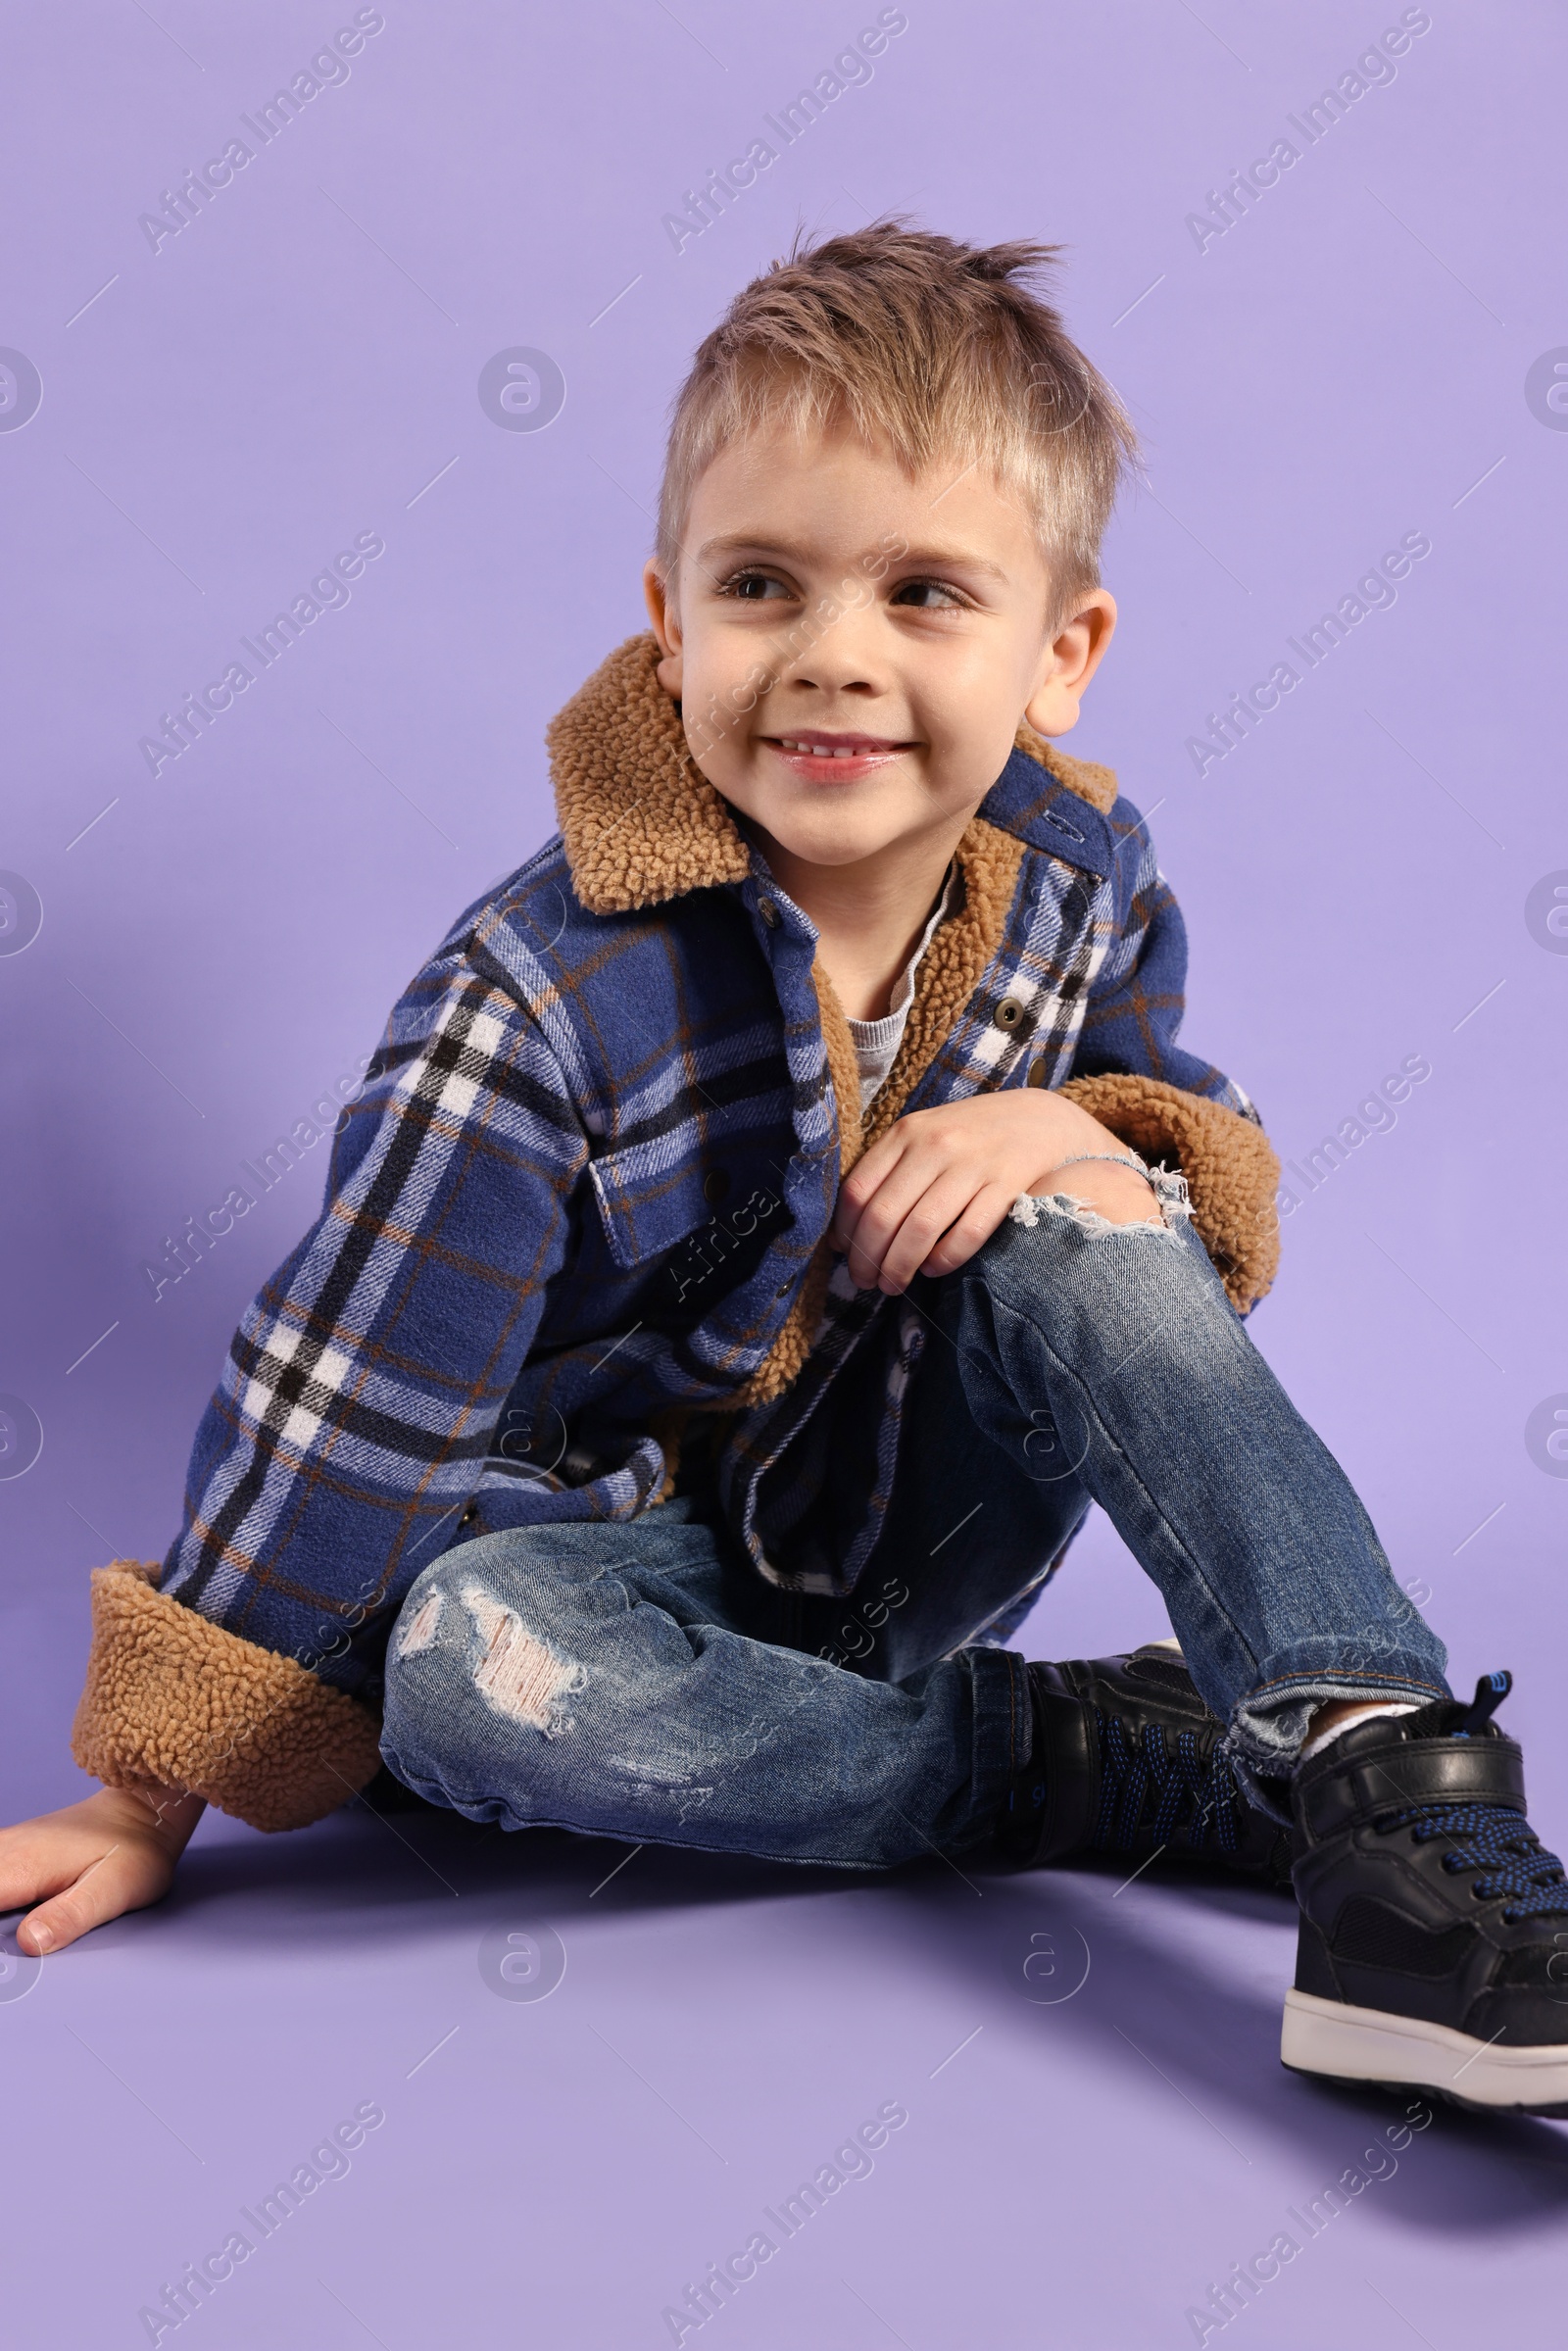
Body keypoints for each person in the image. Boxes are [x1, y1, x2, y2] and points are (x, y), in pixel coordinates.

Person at [7, 226, 1566, 2115]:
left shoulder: (1081, 872)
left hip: (898, 1517)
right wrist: (151, 1787)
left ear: (1059, 654)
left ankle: (1380, 1779)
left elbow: (1181, 1138)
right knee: (457, 1674)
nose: (836, 658)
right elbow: (350, 1397)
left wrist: (1093, 1130)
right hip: (609, 1595)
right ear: (672, 622)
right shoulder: (540, 997)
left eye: (925, 594)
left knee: (1087, 1210)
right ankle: (1071, 1757)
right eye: (765, 585)